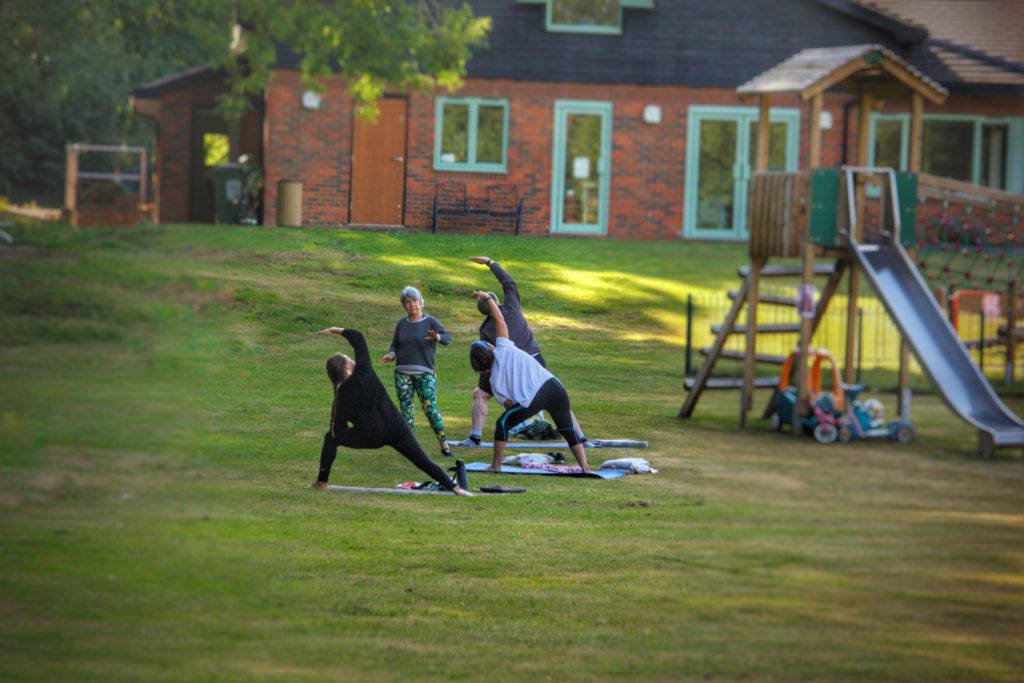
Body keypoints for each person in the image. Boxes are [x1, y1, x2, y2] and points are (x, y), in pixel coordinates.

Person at [311, 326, 472, 496]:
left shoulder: (340, 398)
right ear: (346, 369)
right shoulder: (363, 371)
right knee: (422, 461)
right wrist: (336, 330)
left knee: (330, 438)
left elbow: (337, 431)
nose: (352, 360)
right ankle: (456, 489)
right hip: (396, 426)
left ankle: (322, 482)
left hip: (371, 435)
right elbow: (358, 337)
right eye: (348, 359)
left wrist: (355, 432)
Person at [464, 256, 583, 445]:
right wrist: (490, 263)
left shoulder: (486, 329)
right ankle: (579, 437)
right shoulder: (512, 307)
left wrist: (487, 382)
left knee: (480, 394)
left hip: (511, 369)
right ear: (496, 302)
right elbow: (509, 283)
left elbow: (486, 359)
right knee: (554, 396)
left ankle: (475, 436)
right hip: (535, 363)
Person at [468, 291, 591, 473]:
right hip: (555, 387)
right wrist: (487, 299)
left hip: (536, 397)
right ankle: (586, 468)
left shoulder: (494, 382)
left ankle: (496, 465)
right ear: (491, 347)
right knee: (568, 429)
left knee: (502, 424)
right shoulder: (504, 346)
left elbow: (510, 407)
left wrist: (524, 410)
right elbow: (499, 319)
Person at [379, 286, 453, 457]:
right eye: (408, 302)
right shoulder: (402, 324)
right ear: (404, 306)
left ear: (421, 303)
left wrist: (438, 338)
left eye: (415, 301)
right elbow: (395, 344)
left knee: (430, 408)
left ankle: (444, 445)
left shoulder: (430, 322)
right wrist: (392, 354)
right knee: (406, 411)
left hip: (425, 373)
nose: (412, 305)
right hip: (402, 372)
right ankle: (409, 448)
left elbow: (447, 338)